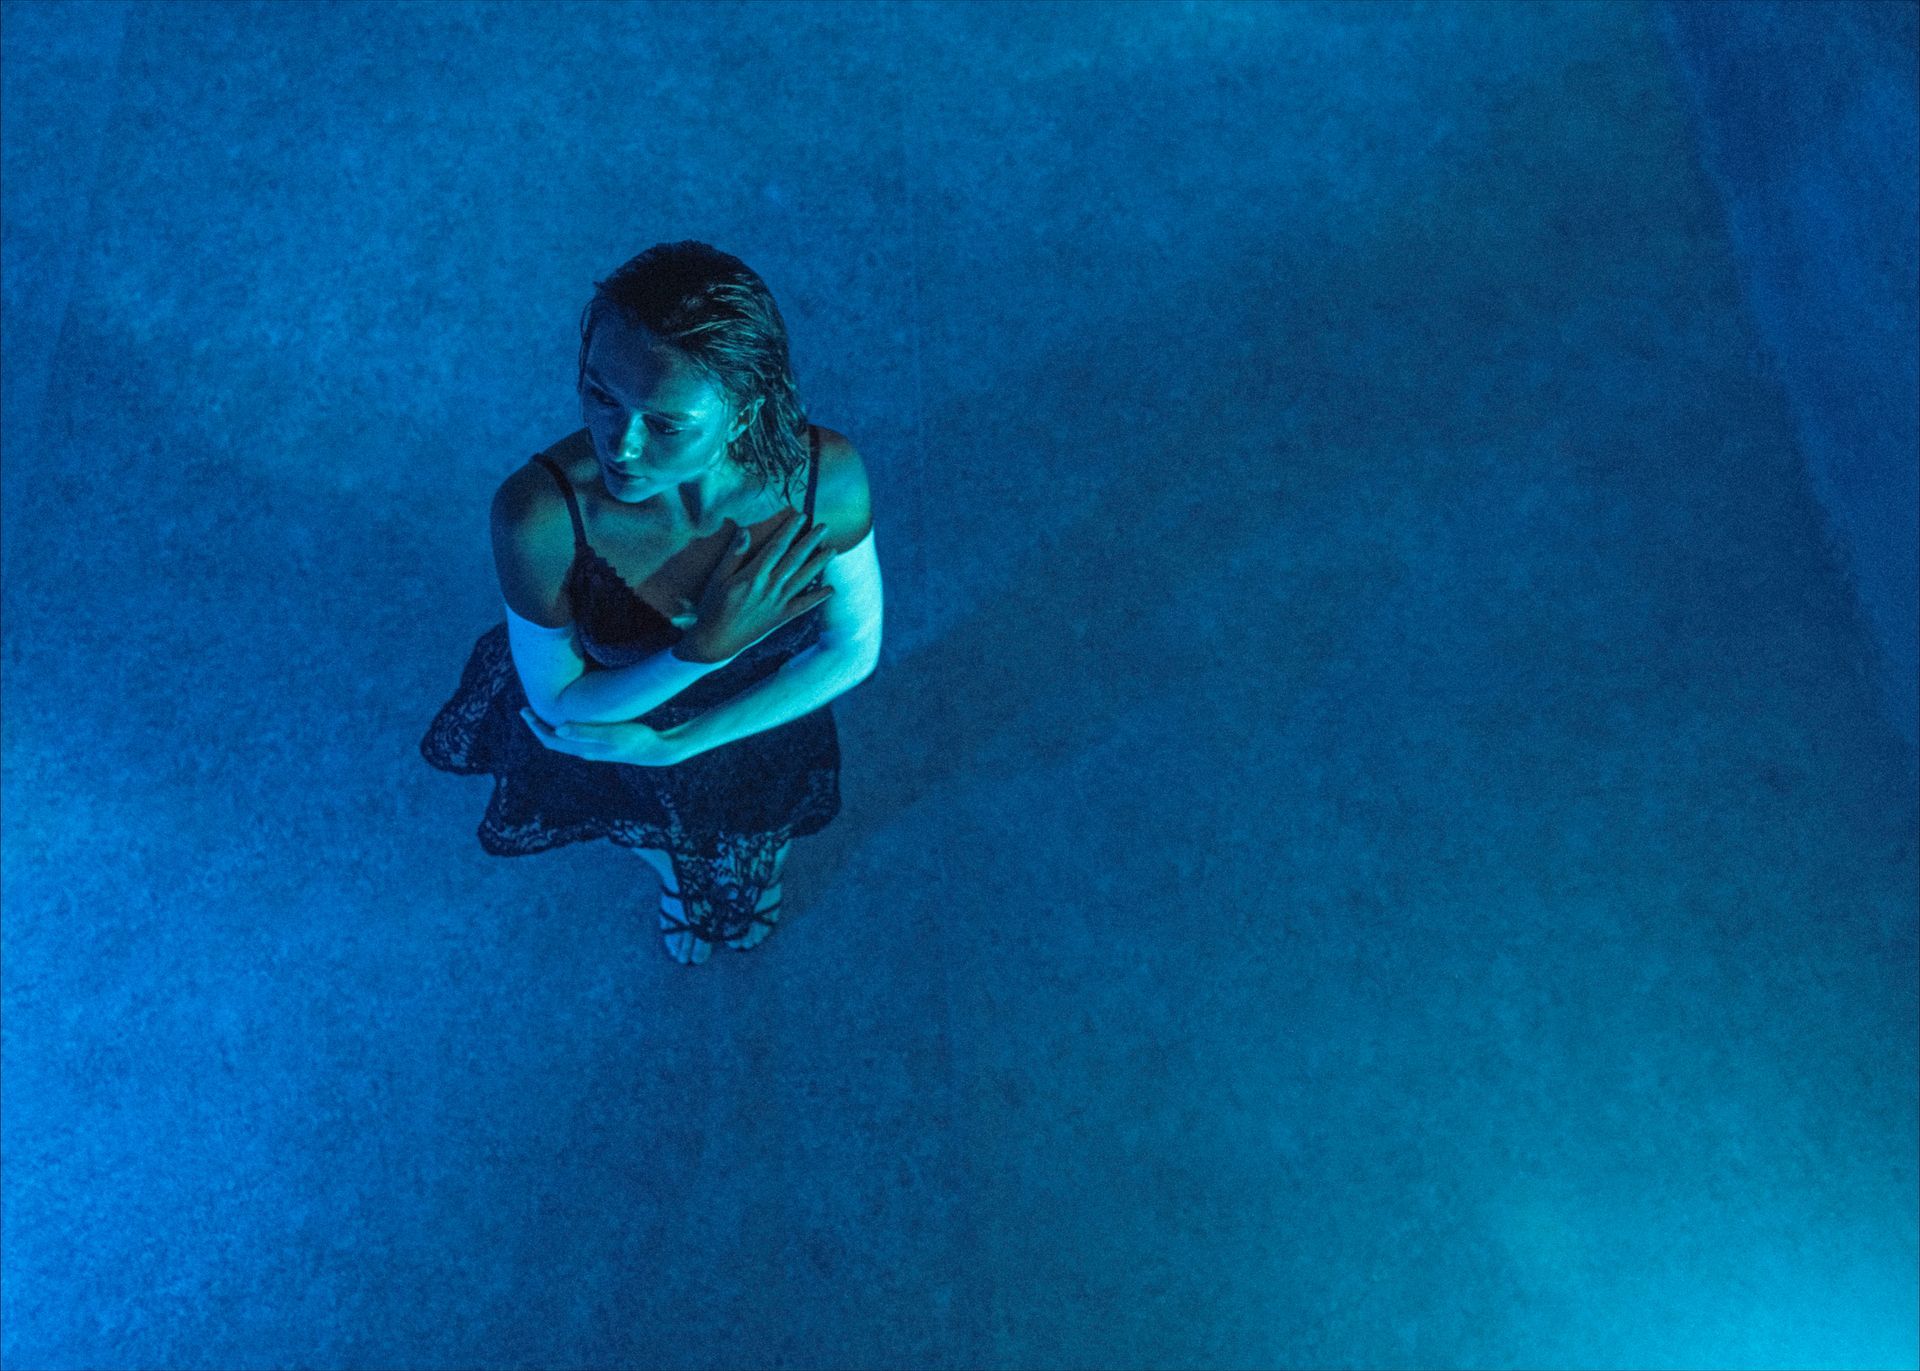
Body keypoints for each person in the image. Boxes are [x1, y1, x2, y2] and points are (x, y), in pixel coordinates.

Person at [420, 241, 880, 964]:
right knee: (654, 831)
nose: (621, 445)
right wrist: (700, 650)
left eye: (666, 424)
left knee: (764, 824)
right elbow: (562, 704)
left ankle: (742, 872)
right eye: (600, 394)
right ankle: (675, 880)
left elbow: (853, 646)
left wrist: (678, 743)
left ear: (743, 410)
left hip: (760, 711)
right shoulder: (538, 516)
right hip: (616, 718)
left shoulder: (826, 480)